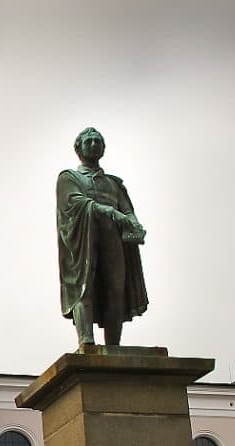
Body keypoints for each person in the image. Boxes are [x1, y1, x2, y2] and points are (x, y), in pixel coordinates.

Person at [57, 127, 148, 348]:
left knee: (116, 290)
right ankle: (86, 340)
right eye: (88, 141)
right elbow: (76, 202)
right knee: (83, 286)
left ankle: (113, 346)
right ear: (78, 148)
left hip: (113, 240)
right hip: (83, 241)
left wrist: (134, 223)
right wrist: (109, 211)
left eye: (98, 141)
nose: (94, 144)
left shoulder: (114, 183)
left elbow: (127, 209)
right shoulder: (69, 177)